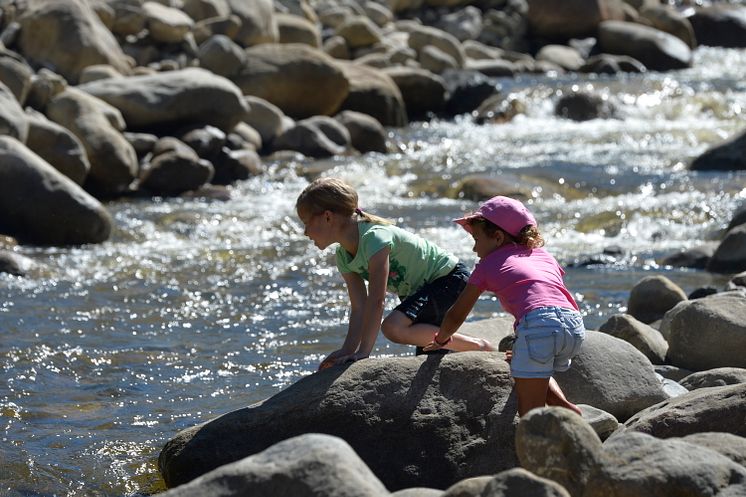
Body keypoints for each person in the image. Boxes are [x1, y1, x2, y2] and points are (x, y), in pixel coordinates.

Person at [296, 177, 493, 371]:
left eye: (306, 223)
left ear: (328, 217)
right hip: (424, 291)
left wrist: (364, 352)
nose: (305, 232)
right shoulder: (343, 256)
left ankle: (478, 347)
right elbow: (359, 307)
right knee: (429, 361)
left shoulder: (374, 237)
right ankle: (471, 348)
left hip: (448, 278)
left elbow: (377, 300)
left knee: (393, 327)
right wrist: (347, 350)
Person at [423, 196, 585, 417]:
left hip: (539, 327)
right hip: (574, 325)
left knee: (531, 416)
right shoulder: (544, 256)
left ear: (497, 237)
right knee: (531, 361)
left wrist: (442, 339)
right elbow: (549, 293)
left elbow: (458, 312)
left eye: (476, 238)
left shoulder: (487, 265)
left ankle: (537, 446)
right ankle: (568, 410)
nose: (473, 248)